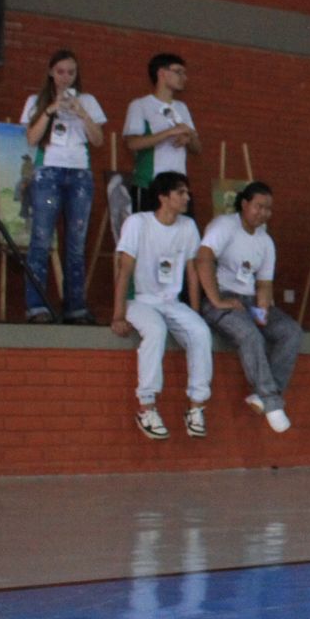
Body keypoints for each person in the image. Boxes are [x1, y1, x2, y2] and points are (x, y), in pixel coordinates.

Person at [110, 171, 211, 440]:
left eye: (187, 192)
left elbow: (192, 271)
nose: (187, 197)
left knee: (201, 332)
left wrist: (195, 313)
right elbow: (124, 269)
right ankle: (147, 407)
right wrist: (118, 314)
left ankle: (196, 407)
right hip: (140, 300)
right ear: (163, 197)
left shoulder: (188, 226)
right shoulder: (137, 223)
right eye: (180, 192)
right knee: (155, 331)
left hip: (172, 303)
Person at [195, 181, 301, 433]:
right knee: (250, 335)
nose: (263, 213)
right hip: (222, 299)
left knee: (291, 331)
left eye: (268, 209)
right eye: (259, 207)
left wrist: (262, 311)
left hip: (249, 301)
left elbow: (264, 284)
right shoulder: (224, 226)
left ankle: (262, 396)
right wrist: (216, 299)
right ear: (244, 204)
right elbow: (203, 258)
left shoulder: (266, 241)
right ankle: (272, 402)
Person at [19, 49, 105, 324]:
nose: (66, 77)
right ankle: (36, 307)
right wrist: (50, 109)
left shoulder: (88, 101)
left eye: (71, 72)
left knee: (76, 243)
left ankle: (75, 307)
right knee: (41, 240)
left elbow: (98, 140)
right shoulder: (36, 101)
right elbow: (31, 138)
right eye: (60, 72)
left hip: (79, 173)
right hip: (48, 172)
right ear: (50, 73)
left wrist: (82, 113)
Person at [123, 53, 200, 214]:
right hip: (150, 183)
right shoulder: (140, 105)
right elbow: (132, 143)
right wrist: (169, 133)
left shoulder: (182, 108)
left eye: (184, 73)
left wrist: (189, 136)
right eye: (178, 72)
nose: (184, 77)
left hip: (178, 184)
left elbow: (197, 148)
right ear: (162, 73)